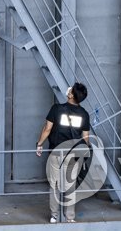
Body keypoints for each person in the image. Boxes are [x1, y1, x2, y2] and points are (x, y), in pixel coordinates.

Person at [35, 82, 91, 224]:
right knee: (70, 185)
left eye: (70, 89)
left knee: (54, 184)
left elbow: (47, 129)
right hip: (73, 155)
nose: (68, 90)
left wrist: (39, 144)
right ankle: (69, 217)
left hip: (56, 152)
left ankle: (54, 216)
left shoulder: (57, 109)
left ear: (71, 95)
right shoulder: (84, 114)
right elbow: (86, 138)